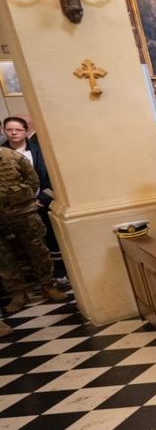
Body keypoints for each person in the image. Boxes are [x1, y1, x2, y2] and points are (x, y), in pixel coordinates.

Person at [0, 146, 67, 313]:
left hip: (23, 213)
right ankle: (18, 293)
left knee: (37, 249)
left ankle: (48, 285)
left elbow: (33, 179)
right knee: (4, 257)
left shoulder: (13, 156)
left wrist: (22, 198)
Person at [2, 116, 59, 277]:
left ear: (26, 131)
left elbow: (51, 177)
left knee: (48, 241)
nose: (14, 133)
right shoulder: (2, 153)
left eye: (18, 129)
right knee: (21, 247)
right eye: (9, 130)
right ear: (4, 131)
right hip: (13, 210)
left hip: (41, 203)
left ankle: (57, 275)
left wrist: (42, 199)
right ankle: (35, 278)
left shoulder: (39, 150)